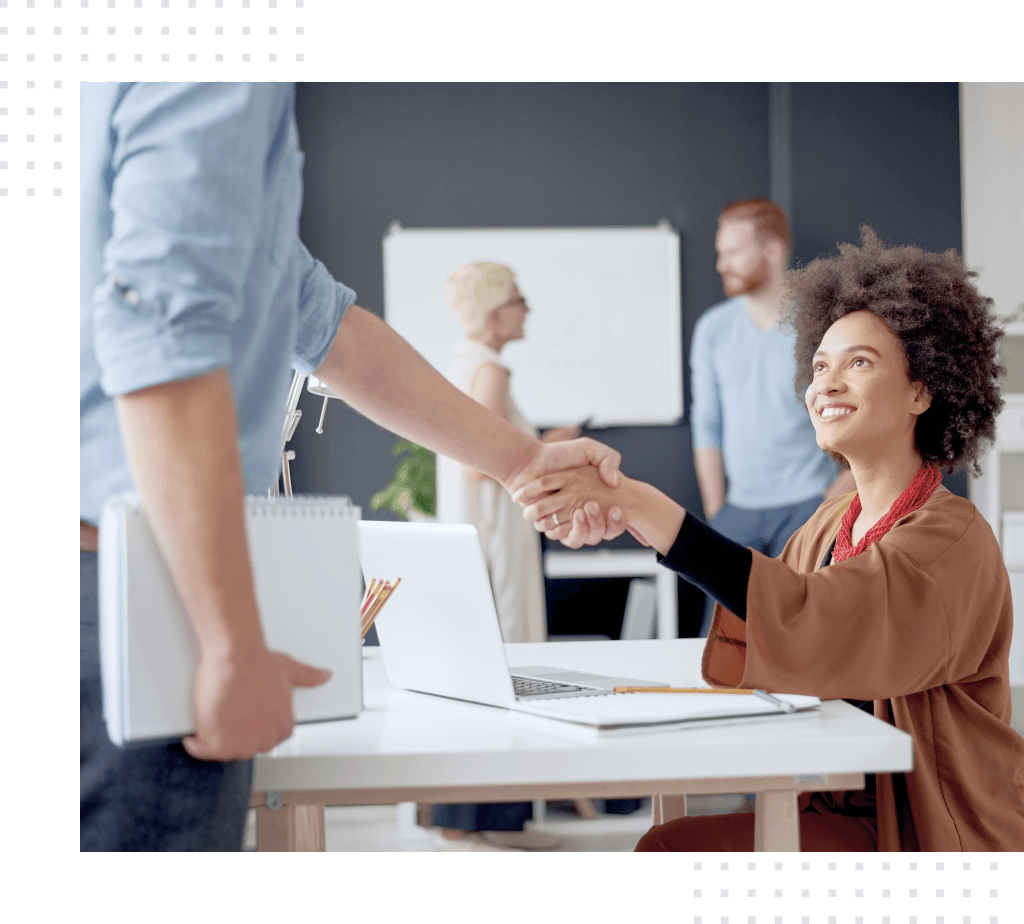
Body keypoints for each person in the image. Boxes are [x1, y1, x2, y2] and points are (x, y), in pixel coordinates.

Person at [80, 83, 619, 852]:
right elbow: (164, 332)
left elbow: (324, 323)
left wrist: (523, 460)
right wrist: (230, 641)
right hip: (128, 592)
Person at [516, 226, 1024, 851]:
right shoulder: (827, 529)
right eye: (819, 365)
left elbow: (816, 619)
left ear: (922, 390)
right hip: (844, 812)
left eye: (858, 363)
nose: (826, 384)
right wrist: (624, 513)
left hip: (930, 832)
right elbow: (766, 628)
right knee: (667, 842)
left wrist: (646, 507)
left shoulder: (952, 537)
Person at [429, 262, 582, 850]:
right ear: (496, 311)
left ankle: (463, 822)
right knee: (503, 667)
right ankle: (492, 826)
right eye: (519, 299)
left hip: (477, 538)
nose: (527, 309)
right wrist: (550, 446)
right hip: (493, 542)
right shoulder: (487, 368)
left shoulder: (463, 362)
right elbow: (480, 459)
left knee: (474, 670)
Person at [691, 198, 856, 637]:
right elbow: (706, 425)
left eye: (732, 252)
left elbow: (857, 412)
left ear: (772, 250)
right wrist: (717, 513)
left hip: (809, 507)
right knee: (725, 644)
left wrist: (834, 498)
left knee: (802, 637)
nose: (721, 264)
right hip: (736, 512)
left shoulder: (823, 325)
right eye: (720, 253)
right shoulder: (713, 329)